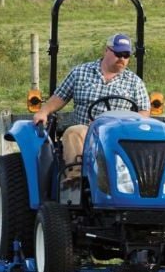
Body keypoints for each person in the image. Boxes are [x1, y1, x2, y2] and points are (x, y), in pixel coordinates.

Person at [31, 33, 150, 188]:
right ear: (106, 51)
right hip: (86, 130)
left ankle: (142, 183)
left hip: (119, 132)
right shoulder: (81, 72)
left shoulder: (135, 82)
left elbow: (144, 112)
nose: (122, 58)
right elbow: (60, 97)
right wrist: (44, 111)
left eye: (126, 55)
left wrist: (126, 123)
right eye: (118, 53)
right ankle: (76, 179)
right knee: (73, 132)